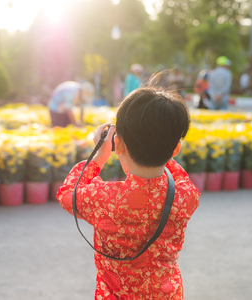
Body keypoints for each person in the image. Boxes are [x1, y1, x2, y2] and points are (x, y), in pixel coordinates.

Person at [57, 86, 200, 299]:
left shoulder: (105, 199)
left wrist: (99, 156)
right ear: (176, 149)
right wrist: (161, 145)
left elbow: (68, 192)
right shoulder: (186, 196)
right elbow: (177, 174)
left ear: (118, 143)